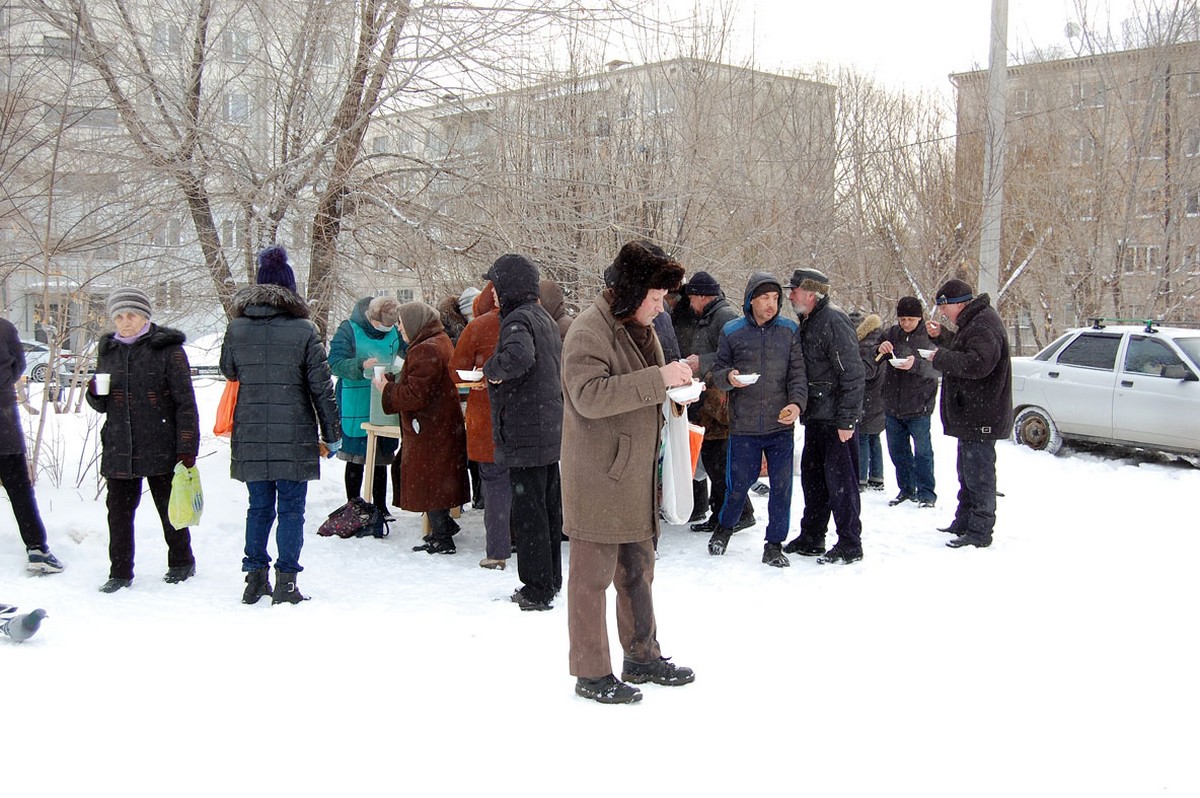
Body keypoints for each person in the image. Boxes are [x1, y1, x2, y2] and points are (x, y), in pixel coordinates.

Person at [561, 240, 696, 704]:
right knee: (590, 579)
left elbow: (646, 386)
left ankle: (642, 655)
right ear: (632, 292)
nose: (660, 310)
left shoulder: (641, 328)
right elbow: (589, 395)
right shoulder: (588, 330)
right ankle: (591, 672)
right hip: (598, 475)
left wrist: (676, 393)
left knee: (639, 571)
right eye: (655, 299)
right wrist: (658, 381)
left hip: (636, 474)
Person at [220, 245, 341, 605]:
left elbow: (229, 370)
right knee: (291, 509)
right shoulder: (304, 330)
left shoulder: (237, 328)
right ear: (291, 291)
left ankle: (254, 578)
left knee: (258, 507)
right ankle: (286, 582)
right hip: (294, 434)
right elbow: (322, 387)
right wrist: (332, 435)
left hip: (252, 432)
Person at [87, 287, 200, 592]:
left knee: (169, 508)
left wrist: (186, 448)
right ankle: (120, 572)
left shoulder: (168, 349)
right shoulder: (108, 349)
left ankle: (181, 561)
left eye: (131, 315)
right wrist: (94, 391)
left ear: (145, 317)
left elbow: (185, 403)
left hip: (160, 442)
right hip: (119, 445)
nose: (124, 322)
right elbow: (101, 404)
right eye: (119, 316)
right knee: (119, 514)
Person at [706, 273, 806, 567]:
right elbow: (718, 372)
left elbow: (798, 374)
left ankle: (774, 544)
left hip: (780, 424)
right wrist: (729, 378)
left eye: (775, 298)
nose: (771, 304)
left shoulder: (789, 330)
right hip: (744, 426)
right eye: (765, 298)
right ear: (751, 300)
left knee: (782, 487)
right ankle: (724, 528)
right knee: (737, 485)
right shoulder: (732, 331)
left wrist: (796, 403)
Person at [483, 254, 564, 611]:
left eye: (497, 287)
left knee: (529, 512)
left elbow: (518, 358)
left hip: (526, 431)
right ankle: (551, 578)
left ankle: (536, 588)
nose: (494, 296)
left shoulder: (517, 321)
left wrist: (492, 369)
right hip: (547, 428)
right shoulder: (543, 316)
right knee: (547, 509)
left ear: (509, 287)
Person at [781, 268, 866, 565]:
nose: (790, 295)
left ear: (811, 293)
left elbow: (853, 374)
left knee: (841, 484)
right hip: (817, 417)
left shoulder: (833, 321)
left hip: (836, 422)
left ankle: (849, 543)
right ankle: (812, 536)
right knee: (814, 481)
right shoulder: (808, 322)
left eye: (795, 290)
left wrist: (847, 420)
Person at [375, 301, 470, 554]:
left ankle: (442, 536)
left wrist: (386, 389)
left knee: (429, 480)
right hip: (439, 425)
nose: (399, 329)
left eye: (402, 323)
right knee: (435, 478)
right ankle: (444, 526)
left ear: (416, 323)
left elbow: (415, 395)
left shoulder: (424, 350)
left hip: (428, 427)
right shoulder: (439, 341)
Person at [925, 278, 1013, 549]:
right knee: (966, 470)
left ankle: (979, 531)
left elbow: (977, 363)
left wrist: (938, 358)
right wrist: (942, 337)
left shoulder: (983, 324)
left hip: (982, 413)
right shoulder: (974, 323)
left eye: (943, 306)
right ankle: (964, 521)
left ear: (959, 304)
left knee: (979, 474)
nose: (941, 312)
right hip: (973, 413)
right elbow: (967, 350)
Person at [681, 272, 756, 534]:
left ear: (703, 296)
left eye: (692, 298)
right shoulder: (710, 317)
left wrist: (702, 362)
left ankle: (740, 513)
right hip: (710, 401)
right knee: (715, 460)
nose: (690, 304)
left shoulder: (724, 316)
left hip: (721, 403)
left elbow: (739, 351)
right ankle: (722, 512)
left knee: (719, 460)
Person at [328, 296, 405, 520]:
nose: (387, 329)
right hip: (356, 397)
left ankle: (380, 505)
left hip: (383, 397)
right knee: (356, 456)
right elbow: (334, 362)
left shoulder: (395, 330)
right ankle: (354, 506)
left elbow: (406, 350)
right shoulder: (348, 329)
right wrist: (359, 364)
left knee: (381, 454)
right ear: (371, 317)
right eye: (383, 324)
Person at [450, 283, 510, 569]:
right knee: (525, 483)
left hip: (486, 416)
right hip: (526, 417)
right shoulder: (534, 321)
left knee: (495, 483)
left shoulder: (478, 327)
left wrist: (475, 376)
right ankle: (525, 540)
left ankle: (498, 550)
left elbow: (455, 371)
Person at [0, 317, 64, 575]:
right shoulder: (4, 328)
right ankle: (37, 548)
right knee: (19, 489)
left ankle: (38, 550)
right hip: (3, 422)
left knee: (20, 488)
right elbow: (18, 366)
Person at [877, 296, 939, 508]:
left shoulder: (929, 337)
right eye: (902, 319)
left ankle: (927, 494)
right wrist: (881, 348)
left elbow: (937, 368)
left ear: (919, 318)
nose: (906, 324)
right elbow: (874, 354)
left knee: (923, 453)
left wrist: (915, 365)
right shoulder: (892, 334)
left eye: (910, 319)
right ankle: (906, 489)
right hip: (893, 404)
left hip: (919, 405)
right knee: (898, 451)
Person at [849, 309, 886, 492]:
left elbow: (867, 372)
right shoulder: (878, 340)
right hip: (879, 397)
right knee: (874, 437)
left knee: (862, 436)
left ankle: (861, 477)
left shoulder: (863, 345)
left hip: (867, 397)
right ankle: (876, 477)